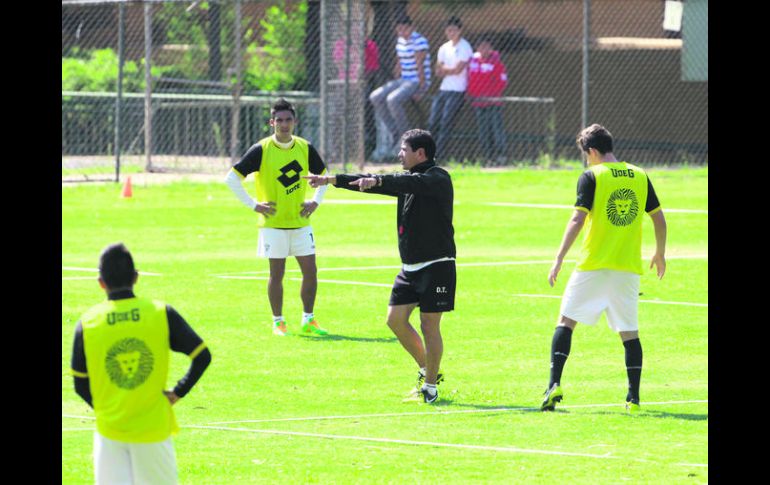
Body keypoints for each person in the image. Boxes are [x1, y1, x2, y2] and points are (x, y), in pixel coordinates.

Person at [304, 129, 455, 404]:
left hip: (436, 265)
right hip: (409, 268)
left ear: (419, 153)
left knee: (428, 325)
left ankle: (430, 387)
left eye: (403, 149)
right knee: (395, 320)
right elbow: (380, 183)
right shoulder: (408, 180)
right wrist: (331, 180)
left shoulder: (437, 178)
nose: (399, 154)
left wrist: (378, 179)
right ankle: (428, 369)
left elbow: (406, 183)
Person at [541, 124, 667, 414]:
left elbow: (576, 220)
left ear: (593, 151)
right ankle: (633, 399)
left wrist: (559, 257)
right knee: (629, 332)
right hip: (627, 268)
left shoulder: (592, 176)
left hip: (593, 264)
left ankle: (553, 385)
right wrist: (659, 253)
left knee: (565, 322)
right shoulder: (639, 174)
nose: (586, 160)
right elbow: (659, 219)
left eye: (586, 155)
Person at [70, 243, 212, 484]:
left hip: (110, 431)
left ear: (100, 282)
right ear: (136, 277)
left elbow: (80, 384)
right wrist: (178, 392)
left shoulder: (88, 322)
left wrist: (107, 410)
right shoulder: (160, 313)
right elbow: (202, 356)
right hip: (153, 428)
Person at [225, 98, 330, 336]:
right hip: (273, 224)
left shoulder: (304, 147)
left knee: (311, 271)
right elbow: (231, 179)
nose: (284, 124)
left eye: (288, 120)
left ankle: (309, 320)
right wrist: (253, 205)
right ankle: (278, 321)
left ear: (295, 121)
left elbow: (324, 175)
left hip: (301, 222)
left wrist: (316, 201)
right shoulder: (261, 149)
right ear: (272, 122)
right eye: (279, 120)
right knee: (277, 274)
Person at [369, 15, 431, 161]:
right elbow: (399, 63)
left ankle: (404, 136)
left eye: (404, 29)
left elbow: (419, 65)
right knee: (375, 96)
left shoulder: (419, 41)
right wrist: (394, 81)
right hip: (403, 80)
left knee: (392, 99)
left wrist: (422, 88)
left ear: (411, 27)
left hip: (416, 81)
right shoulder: (400, 41)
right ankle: (395, 132)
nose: (402, 32)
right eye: (399, 29)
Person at [428, 16, 473, 162]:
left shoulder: (465, 47)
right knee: (433, 121)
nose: (450, 33)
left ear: (460, 30)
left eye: (454, 30)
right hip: (444, 89)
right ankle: (429, 154)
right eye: (448, 30)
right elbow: (437, 71)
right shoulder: (444, 47)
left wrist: (445, 69)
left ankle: (439, 156)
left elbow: (458, 70)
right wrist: (448, 69)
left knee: (446, 122)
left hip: (458, 90)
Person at [467, 38, 509, 164]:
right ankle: (487, 157)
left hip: (493, 102)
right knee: (483, 130)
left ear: (491, 48)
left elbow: (503, 81)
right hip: (478, 102)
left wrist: (492, 94)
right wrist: (472, 93)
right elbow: (470, 78)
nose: (483, 49)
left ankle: (501, 156)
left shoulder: (497, 63)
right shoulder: (473, 62)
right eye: (480, 46)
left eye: (486, 46)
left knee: (497, 129)